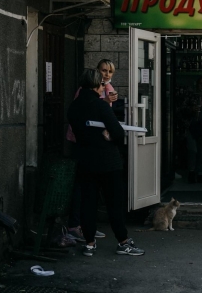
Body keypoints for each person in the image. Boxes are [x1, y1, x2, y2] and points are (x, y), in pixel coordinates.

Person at [67, 69, 145, 257]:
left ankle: (89, 243)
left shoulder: (74, 107)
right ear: (95, 85)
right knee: (114, 203)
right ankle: (123, 242)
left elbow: (78, 133)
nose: (104, 87)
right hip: (108, 162)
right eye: (102, 84)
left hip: (85, 160)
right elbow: (118, 133)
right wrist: (108, 135)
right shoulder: (101, 106)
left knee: (88, 202)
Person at [65, 59, 118, 241]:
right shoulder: (86, 91)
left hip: (97, 143)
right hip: (83, 142)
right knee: (83, 187)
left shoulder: (108, 88)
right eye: (103, 70)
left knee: (91, 189)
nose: (107, 74)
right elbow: (86, 113)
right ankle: (76, 225)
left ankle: (88, 226)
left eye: (110, 71)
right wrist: (104, 102)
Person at [180, 76, 202, 183]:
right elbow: (181, 109)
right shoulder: (190, 95)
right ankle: (191, 172)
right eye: (201, 83)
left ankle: (200, 173)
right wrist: (191, 109)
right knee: (192, 150)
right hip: (192, 125)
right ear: (197, 84)